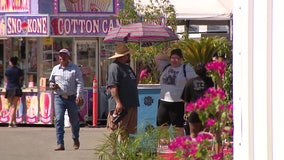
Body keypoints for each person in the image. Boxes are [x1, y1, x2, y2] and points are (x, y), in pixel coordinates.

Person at [155, 48, 196, 137]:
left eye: (177, 58)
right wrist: (168, 55)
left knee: (178, 130)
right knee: (162, 130)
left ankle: (178, 150)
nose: (174, 60)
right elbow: (157, 57)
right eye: (172, 58)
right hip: (164, 102)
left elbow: (193, 83)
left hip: (178, 103)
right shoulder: (165, 66)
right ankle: (162, 150)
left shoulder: (185, 68)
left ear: (181, 59)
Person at [49, 48, 84, 151]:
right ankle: (60, 143)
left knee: (74, 121)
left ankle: (75, 139)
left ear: (68, 57)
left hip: (72, 98)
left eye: (64, 55)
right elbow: (51, 81)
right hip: (59, 98)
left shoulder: (74, 68)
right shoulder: (55, 69)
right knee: (59, 119)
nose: (62, 57)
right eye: (60, 56)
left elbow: (80, 83)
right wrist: (52, 86)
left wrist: (79, 96)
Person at [106, 44, 139, 139]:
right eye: (127, 55)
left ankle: (126, 152)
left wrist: (140, 69)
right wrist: (118, 103)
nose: (129, 56)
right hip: (121, 106)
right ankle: (115, 152)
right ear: (121, 56)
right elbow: (113, 86)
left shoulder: (127, 67)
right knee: (117, 130)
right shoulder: (114, 67)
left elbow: (134, 82)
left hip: (131, 104)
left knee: (129, 131)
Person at [180, 63, 214, 137]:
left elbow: (186, 100)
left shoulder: (189, 82)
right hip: (207, 110)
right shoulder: (210, 81)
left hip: (193, 111)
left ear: (195, 71)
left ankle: (195, 148)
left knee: (193, 134)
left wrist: (185, 112)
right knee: (206, 134)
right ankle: (204, 148)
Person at [5, 56, 23, 128]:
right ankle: (10, 122)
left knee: (11, 106)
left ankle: (14, 122)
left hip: (9, 88)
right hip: (16, 88)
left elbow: (6, 79)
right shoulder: (18, 70)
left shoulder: (7, 70)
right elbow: (20, 79)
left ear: (11, 62)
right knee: (13, 106)